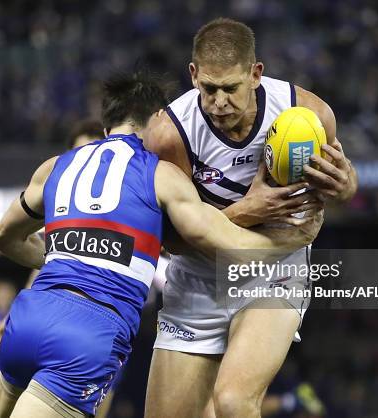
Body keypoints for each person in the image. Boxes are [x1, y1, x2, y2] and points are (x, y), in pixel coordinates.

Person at [0, 71, 323, 418]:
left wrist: (65, 261)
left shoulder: (54, 167)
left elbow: (4, 237)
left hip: (28, 317)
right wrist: (295, 235)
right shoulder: (160, 174)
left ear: (107, 127)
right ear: (157, 122)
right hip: (87, 334)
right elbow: (228, 244)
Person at [143, 18, 358, 418]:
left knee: (233, 401)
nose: (219, 101)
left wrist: (346, 188)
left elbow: (338, 193)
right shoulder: (169, 135)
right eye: (208, 88)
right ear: (193, 75)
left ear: (255, 74)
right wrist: (245, 212)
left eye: (230, 88)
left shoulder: (307, 113)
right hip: (198, 278)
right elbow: (168, 241)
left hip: (275, 266)